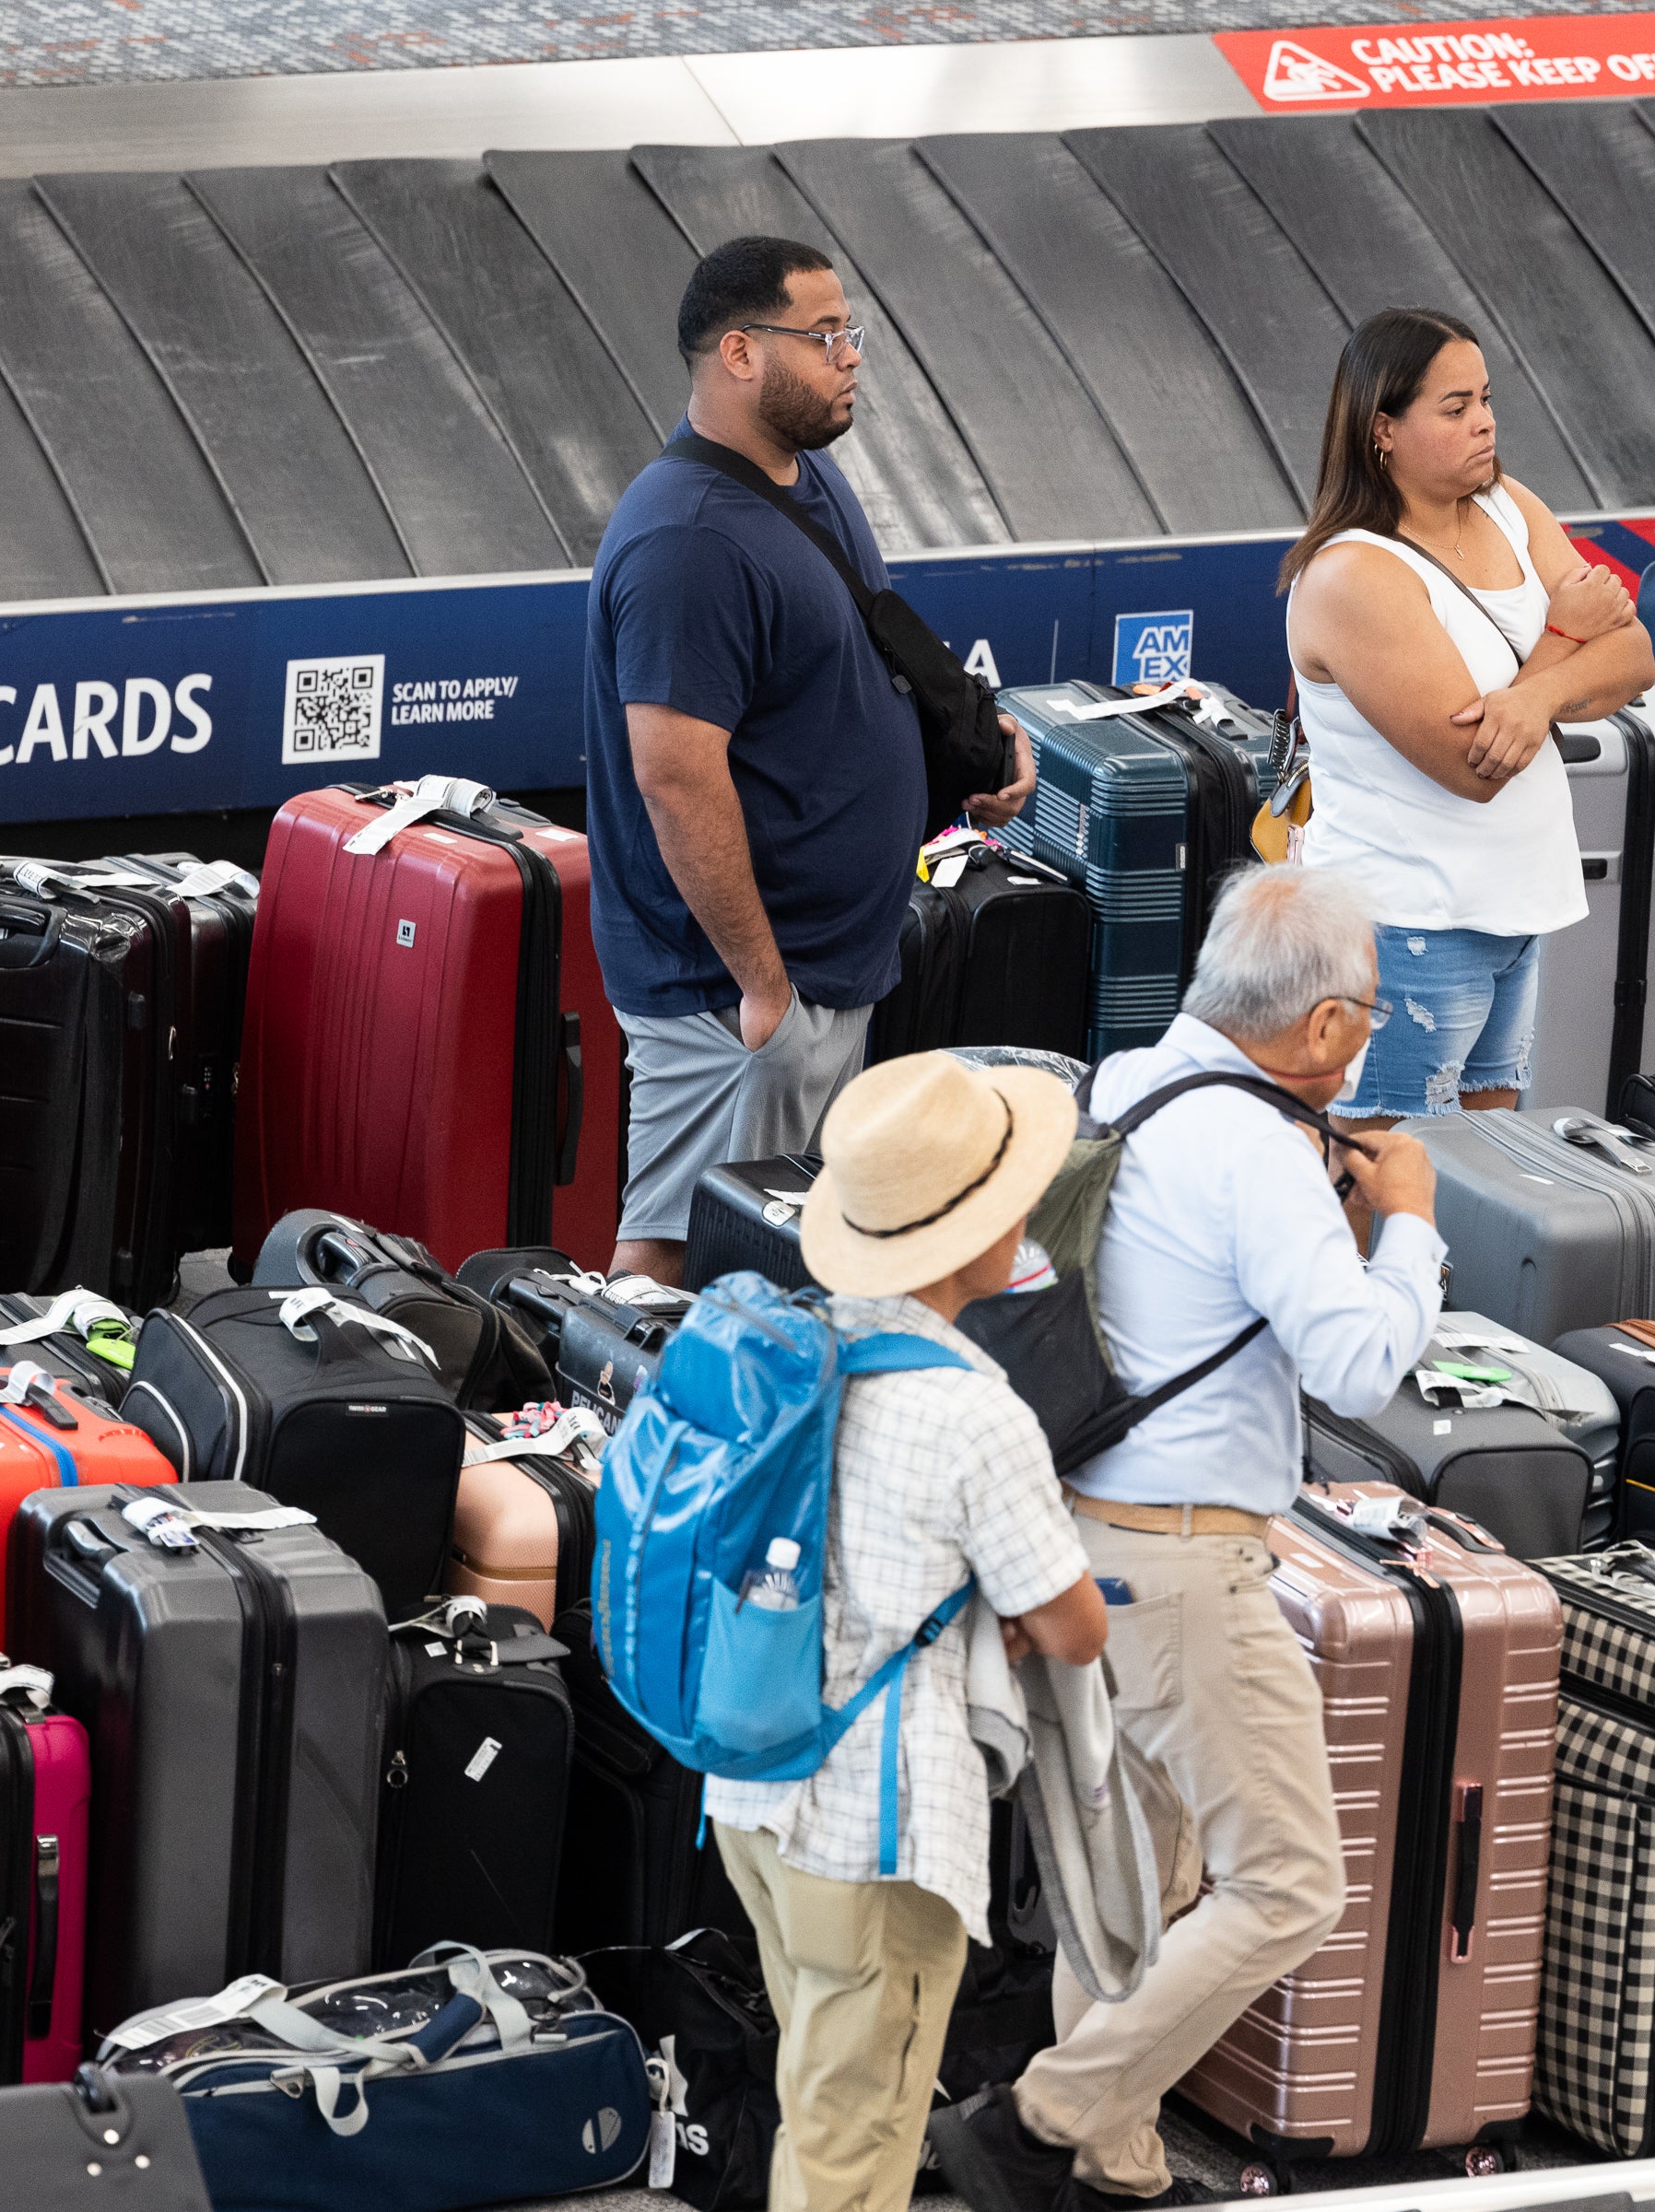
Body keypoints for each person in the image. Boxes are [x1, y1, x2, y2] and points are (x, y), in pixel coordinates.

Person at [926, 864, 1445, 2212]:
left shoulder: (1119, 1082)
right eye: (1370, 1018)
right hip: (1187, 1566)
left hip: (1076, 1536)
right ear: (1325, 1024)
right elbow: (1355, 1362)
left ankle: (1115, 2170)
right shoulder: (1258, 1148)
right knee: (1287, 1882)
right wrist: (1413, 1231)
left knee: (1129, 1881)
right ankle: (1041, 2122)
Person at [702, 1051, 1110, 2212]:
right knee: (856, 2145)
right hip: (874, 1828)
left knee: (821, 2095)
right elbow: (1074, 1625)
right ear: (965, 1233)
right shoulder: (974, 1408)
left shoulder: (791, 1349)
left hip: (752, 1792)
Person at [585, 233, 1034, 1285]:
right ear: (740, 353)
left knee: (786, 1243)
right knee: (676, 1251)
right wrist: (765, 990)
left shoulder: (802, 479)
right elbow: (675, 775)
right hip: (734, 989)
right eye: (824, 334)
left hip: (822, 966)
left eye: (851, 331)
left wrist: (973, 735)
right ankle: (629, 1442)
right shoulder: (685, 540)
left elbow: (855, 655)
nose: (852, 354)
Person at [1278, 307, 1654, 1125]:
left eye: (1486, 399)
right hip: (1408, 928)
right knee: (1383, 1180)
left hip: (1516, 911)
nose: (1485, 423)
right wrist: (1564, 637)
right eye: (1454, 408)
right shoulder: (1352, 574)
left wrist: (1536, 696)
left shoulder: (1509, 506)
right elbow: (1473, 764)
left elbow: (1634, 659)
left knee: (1486, 1195)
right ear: (1383, 430)